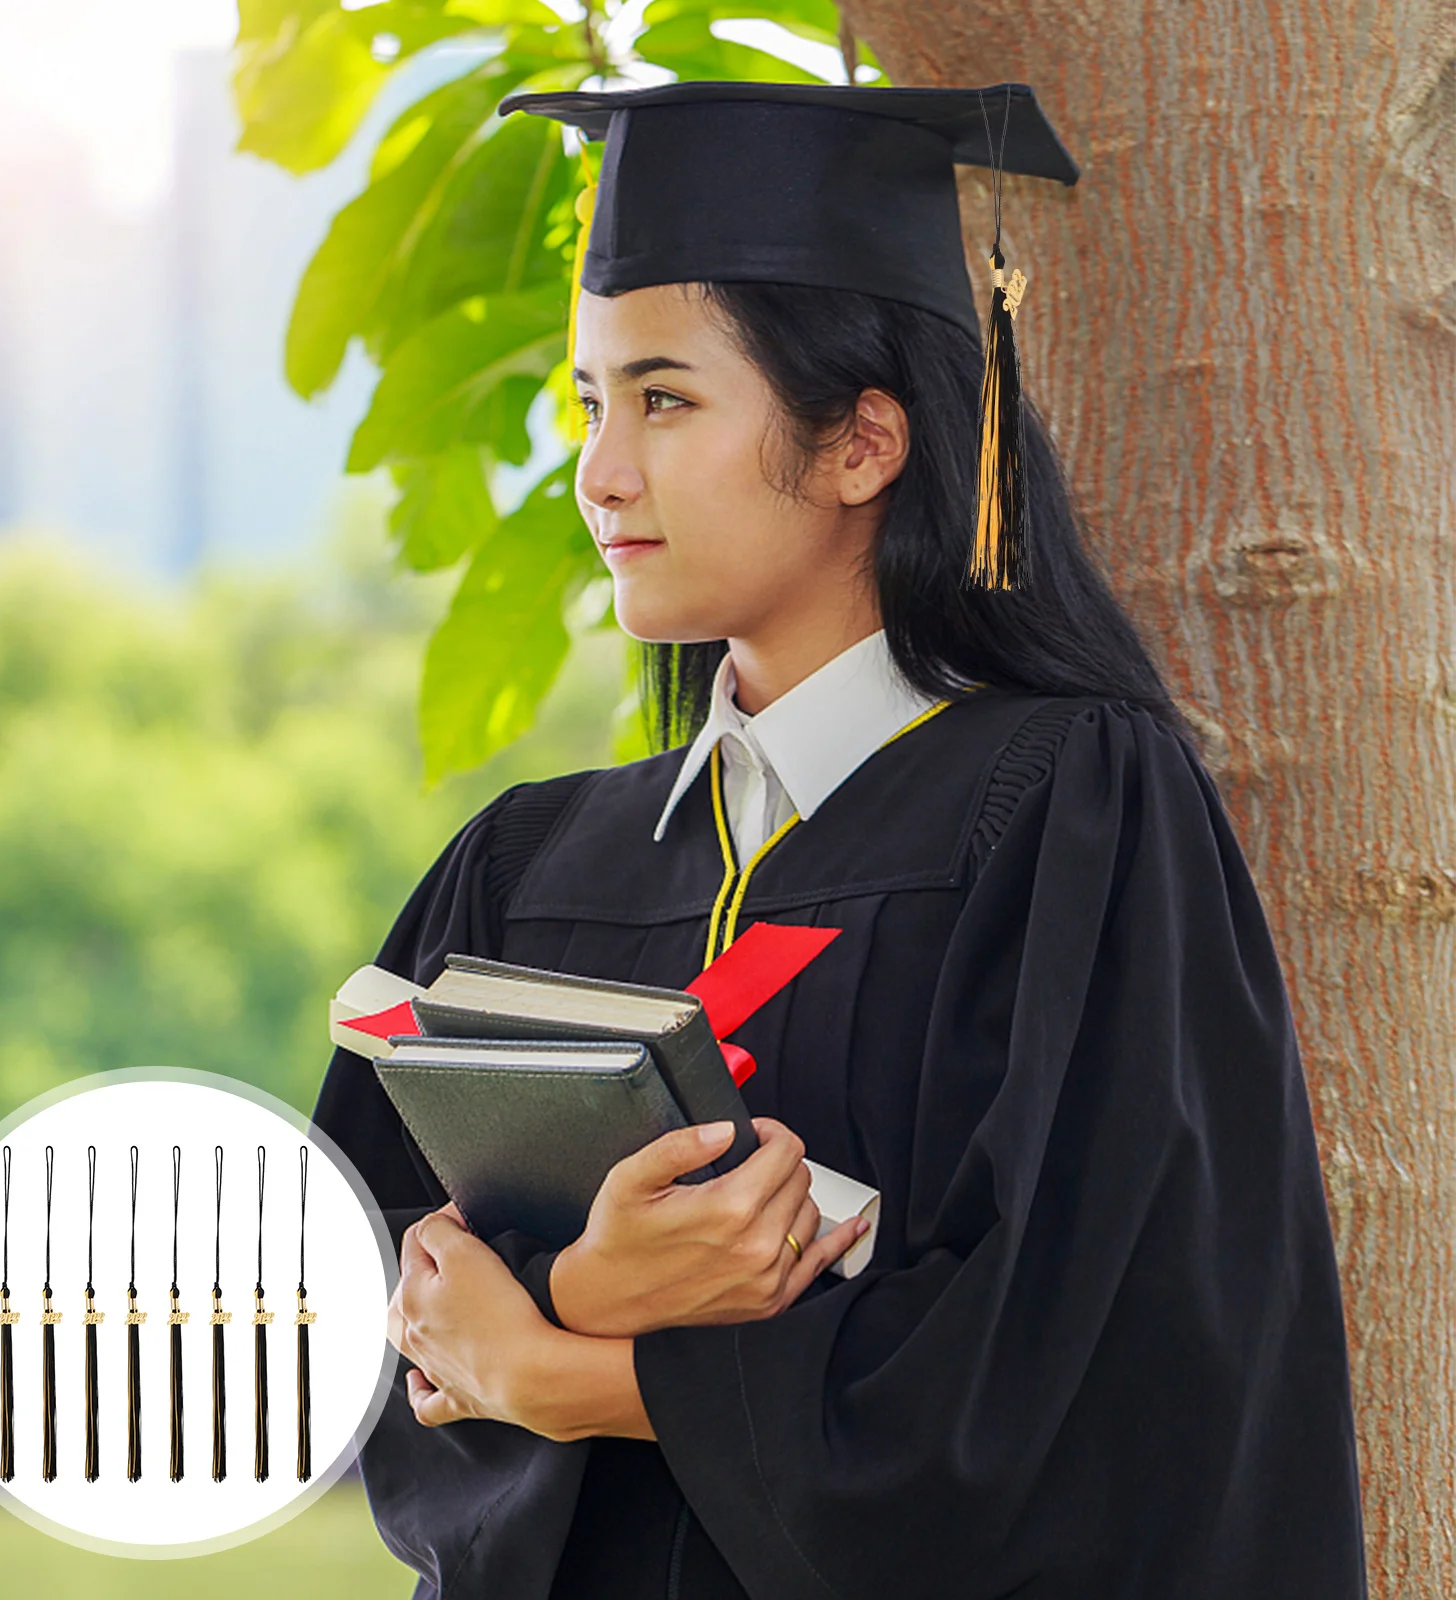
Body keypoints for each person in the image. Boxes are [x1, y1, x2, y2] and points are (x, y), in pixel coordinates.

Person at [311, 81, 1368, 1599]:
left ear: (863, 442)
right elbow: (347, 1279)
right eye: (588, 403)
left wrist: (573, 1375)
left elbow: (1100, 1368)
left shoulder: (1074, 811)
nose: (601, 473)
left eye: (664, 399)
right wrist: (581, 1283)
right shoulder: (530, 866)